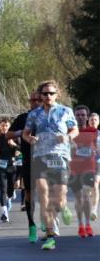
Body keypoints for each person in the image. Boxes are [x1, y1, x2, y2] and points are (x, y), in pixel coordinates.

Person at [21, 81, 77, 251]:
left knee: (58, 200)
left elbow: (75, 130)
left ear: (56, 94)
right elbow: (25, 133)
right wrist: (30, 139)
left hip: (59, 156)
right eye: (44, 94)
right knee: (43, 194)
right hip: (40, 157)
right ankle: (50, 236)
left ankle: (63, 206)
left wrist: (67, 137)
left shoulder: (65, 111)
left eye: (51, 93)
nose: (48, 97)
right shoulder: (34, 114)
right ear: (40, 96)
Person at [8, 92, 42, 241]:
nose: (35, 102)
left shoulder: (47, 118)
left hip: (45, 161)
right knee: (29, 194)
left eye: (38, 100)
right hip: (28, 161)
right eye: (32, 100)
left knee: (46, 193)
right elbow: (7, 135)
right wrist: (20, 132)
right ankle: (32, 225)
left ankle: (47, 221)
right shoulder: (23, 118)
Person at [70, 105, 96, 237]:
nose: (80, 117)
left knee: (86, 196)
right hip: (73, 170)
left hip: (89, 168)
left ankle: (88, 224)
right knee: (78, 198)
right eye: (78, 115)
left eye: (82, 115)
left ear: (87, 117)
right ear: (74, 116)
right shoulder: (69, 132)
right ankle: (80, 224)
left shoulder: (94, 132)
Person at [0, 118, 18, 221]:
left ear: (9, 127)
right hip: (0, 165)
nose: (4, 127)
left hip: (11, 165)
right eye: (2, 126)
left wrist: (14, 145)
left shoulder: (14, 137)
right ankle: (5, 213)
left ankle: (10, 197)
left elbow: (21, 148)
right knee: (2, 189)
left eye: (6, 126)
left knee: (10, 190)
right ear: (0, 127)